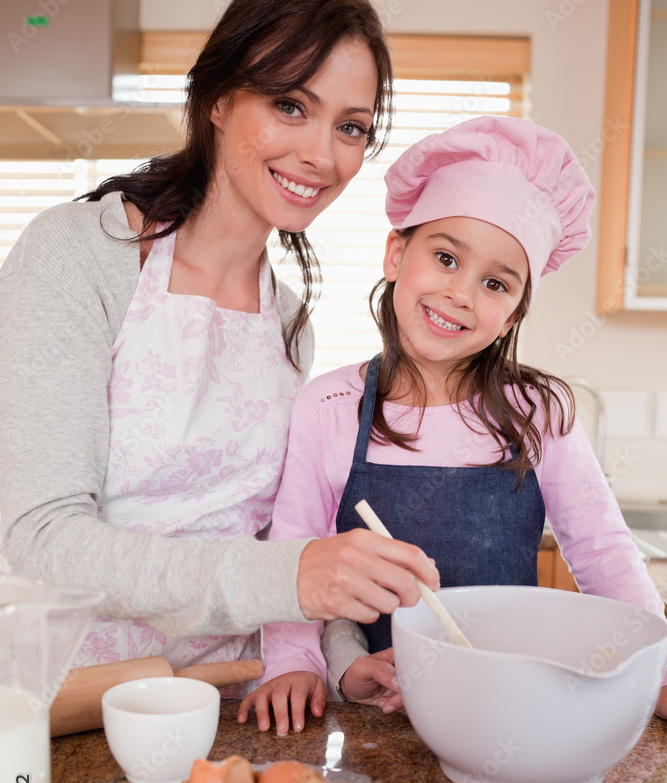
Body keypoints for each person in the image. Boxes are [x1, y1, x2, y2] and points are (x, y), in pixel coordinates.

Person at [0, 0, 439, 691]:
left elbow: (278, 543)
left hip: (230, 702)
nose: (321, 155)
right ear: (216, 99)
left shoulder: (289, 324)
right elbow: (40, 541)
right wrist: (291, 575)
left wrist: (344, 657)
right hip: (69, 705)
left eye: (350, 127)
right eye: (290, 105)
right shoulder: (78, 255)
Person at [239, 114, 666, 733]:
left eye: (495, 282)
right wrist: (299, 663)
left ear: (514, 313)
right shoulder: (329, 407)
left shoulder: (539, 413)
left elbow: (602, 551)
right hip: (375, 711)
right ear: (395, 255)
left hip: (506, 708)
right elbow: (297, 551)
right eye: (445, 257)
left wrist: (652, 664)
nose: (462, 293)